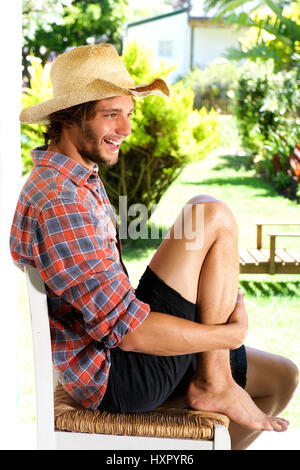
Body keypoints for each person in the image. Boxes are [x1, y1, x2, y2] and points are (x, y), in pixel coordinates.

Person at [11, 43, 298, 450]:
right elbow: (129, 334)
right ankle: (214, 380)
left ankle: (214, 380)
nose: (126, 129)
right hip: (117, 375)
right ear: (70, 118)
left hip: (124, 356)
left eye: (128, 114)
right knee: (209, 215)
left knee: (282, 376)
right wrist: (226, 336)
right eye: (111, 114)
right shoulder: (60, 200)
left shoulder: (74, 181)